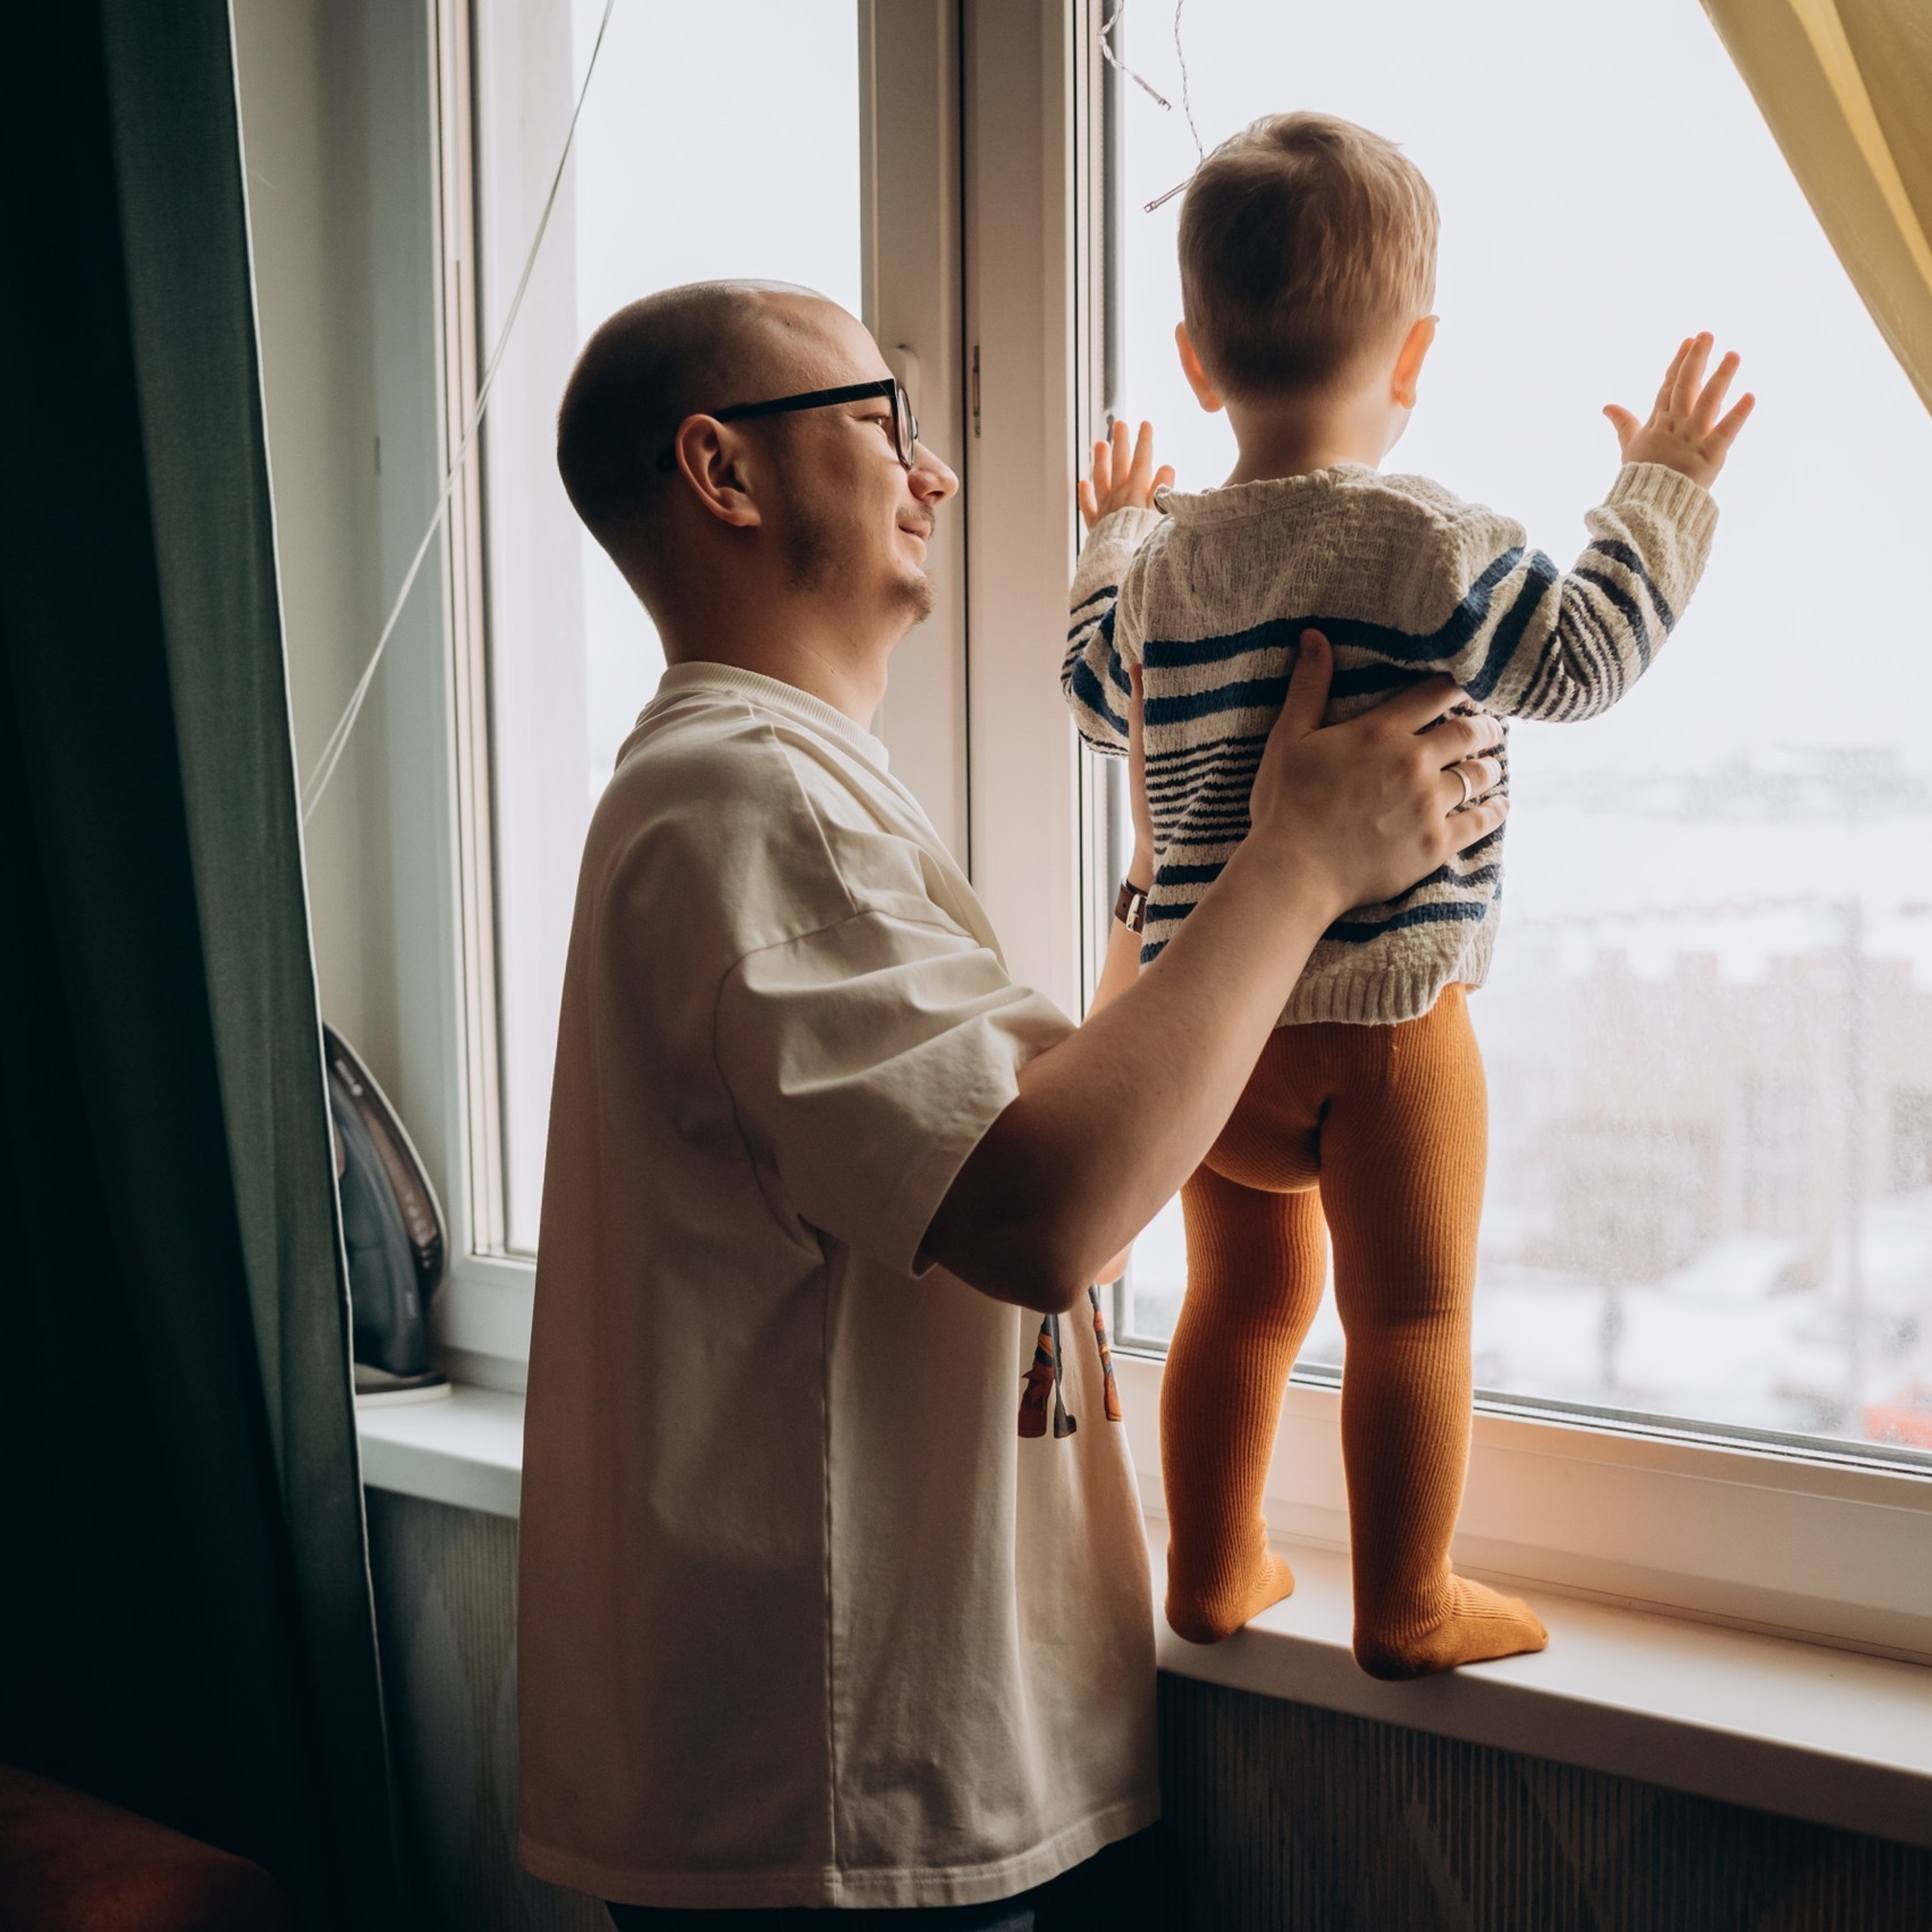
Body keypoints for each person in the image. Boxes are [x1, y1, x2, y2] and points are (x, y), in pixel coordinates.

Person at [516, 276, 1509, 1927]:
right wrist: (1303, 861)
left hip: (887, 1770)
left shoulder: (778, 787)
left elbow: (1044, 1102)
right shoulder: (749, 804)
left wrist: (1188, 858)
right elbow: (1045, 1208)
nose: (937, 473)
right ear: (723, 471)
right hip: (837, 1806)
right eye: (877, 419)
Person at [1061, 111, 1755, 1679]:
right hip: (1380, 1022)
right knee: (1411, 1319)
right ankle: (1405, 1600)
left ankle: (1216, 1564)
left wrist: (1109, 527)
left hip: (1205, 1034)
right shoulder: (1426, 539)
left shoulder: (1165, 566)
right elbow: (1578, 660)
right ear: (1413, 352)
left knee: (1240, 1306)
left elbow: (1094, 685)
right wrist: (1657, 486)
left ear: (1192, 360)